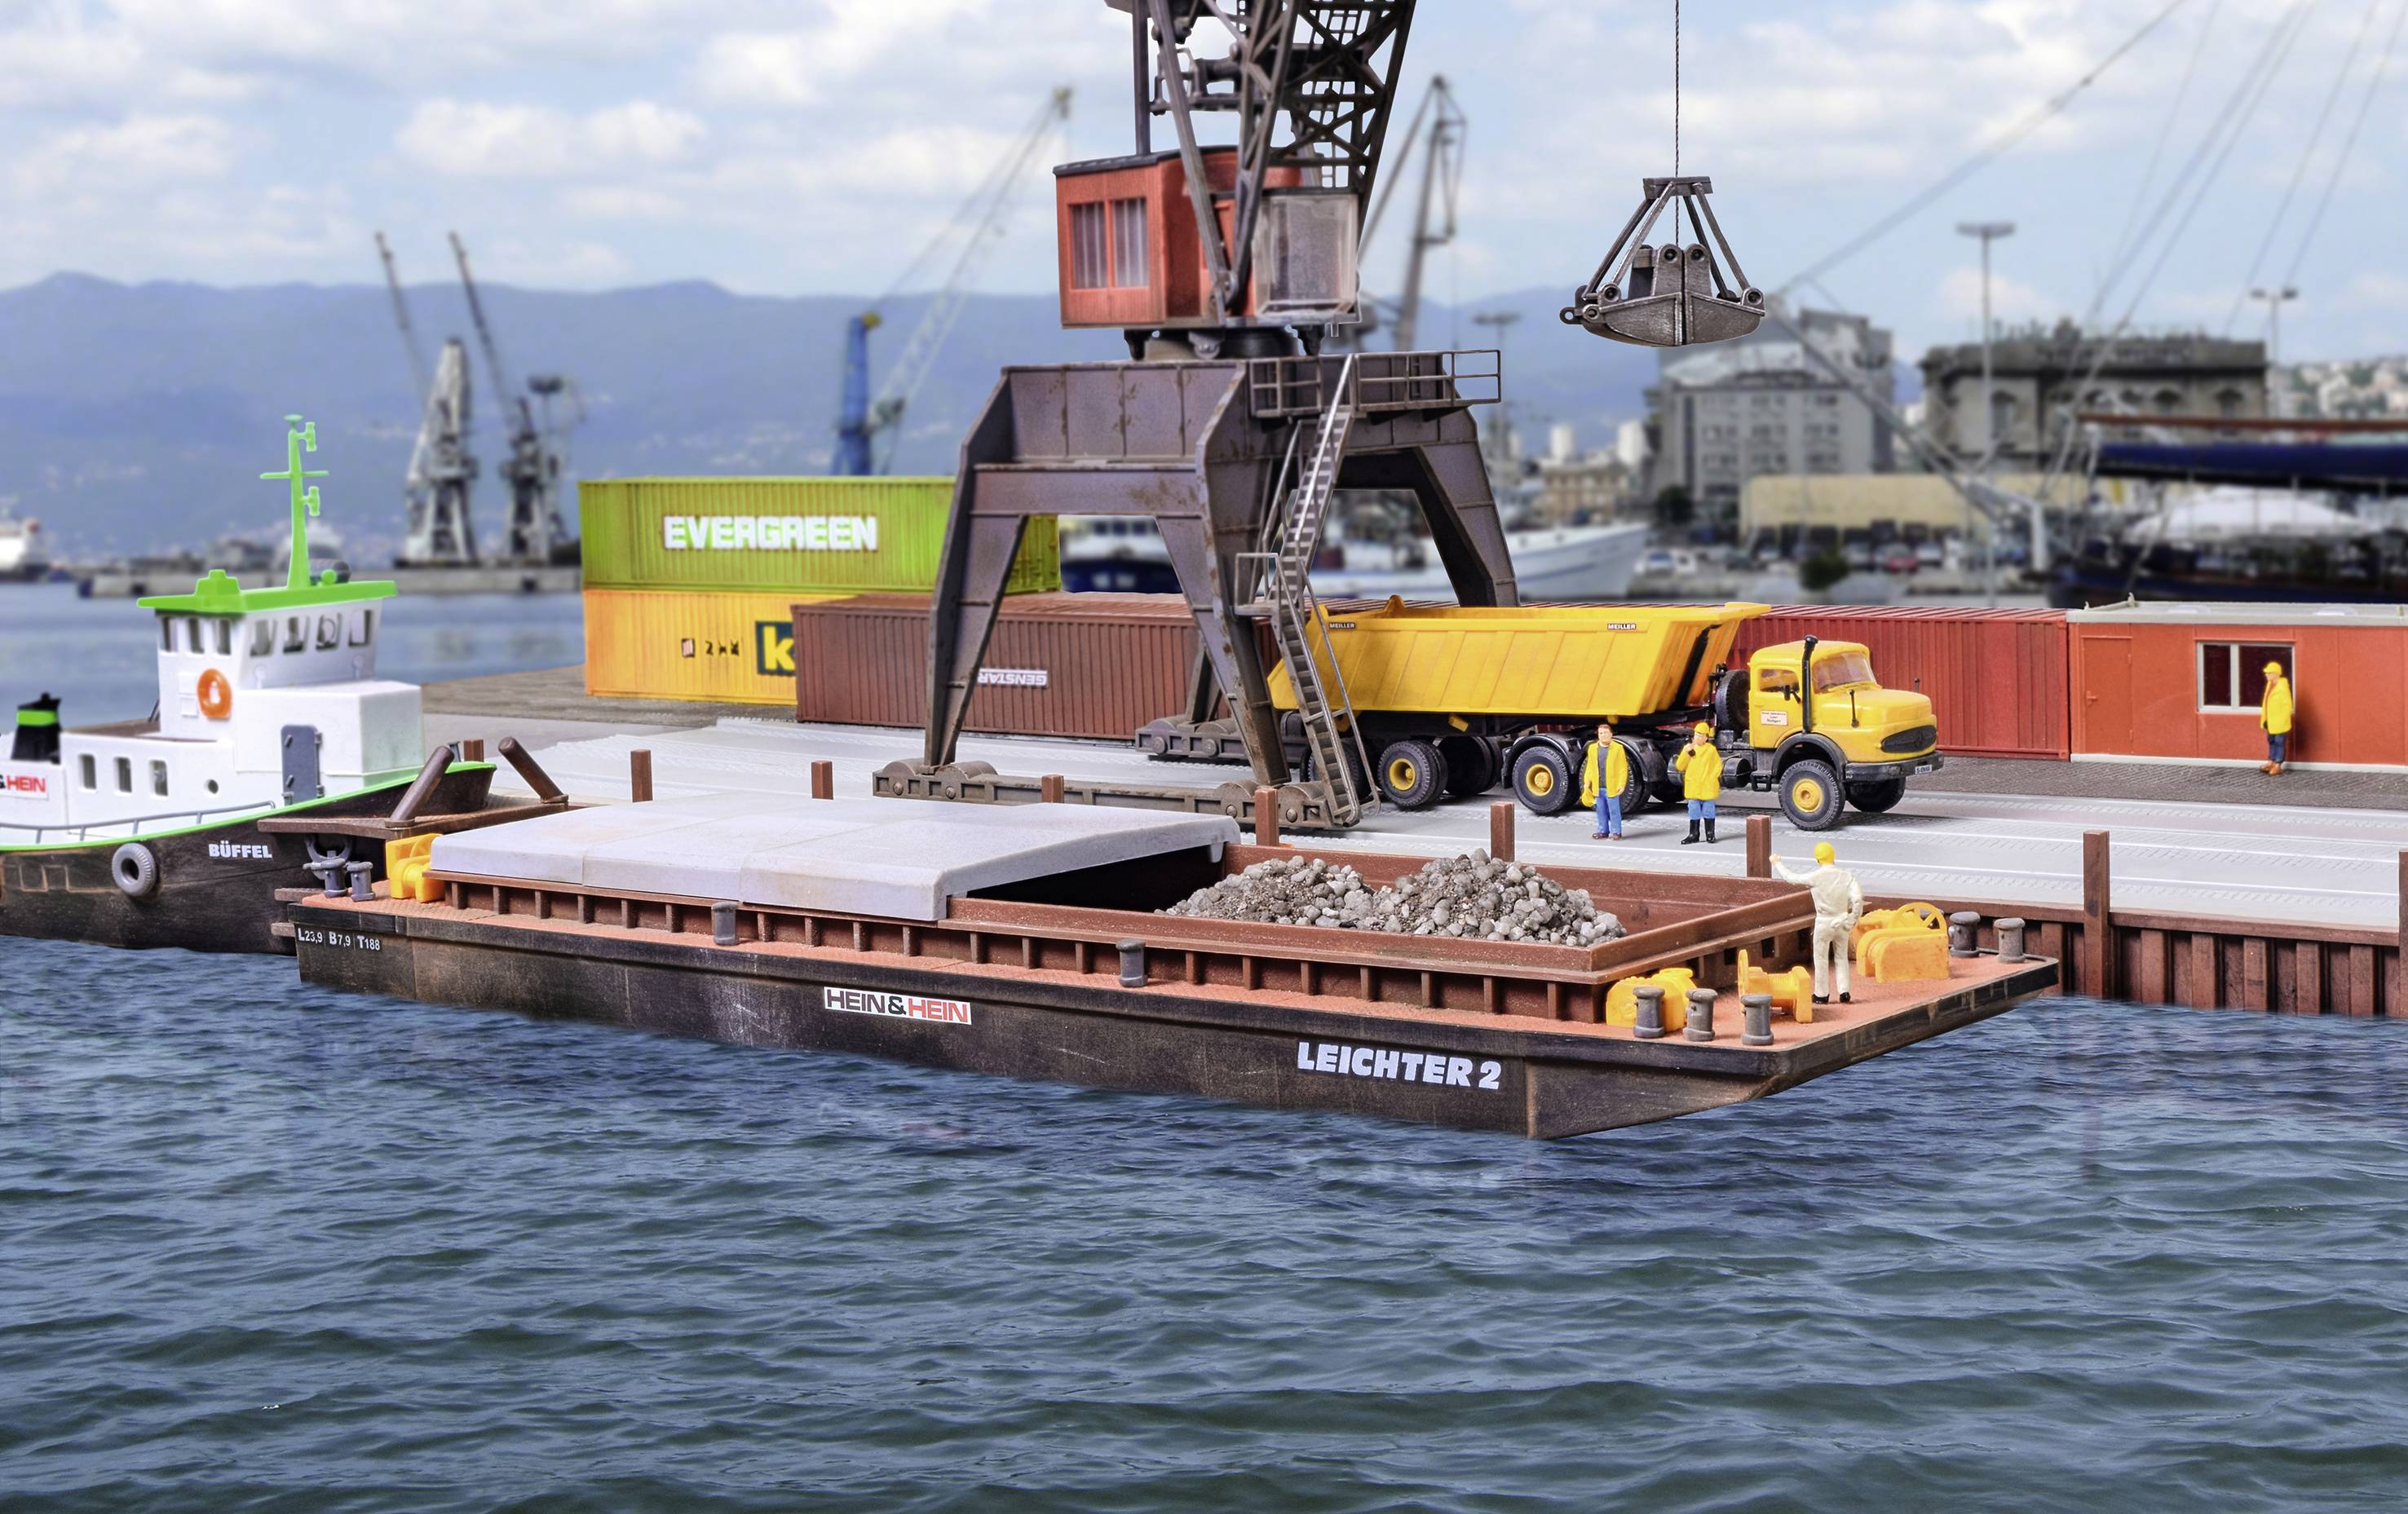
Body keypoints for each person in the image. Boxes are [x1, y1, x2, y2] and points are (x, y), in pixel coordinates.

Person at [1773, 841, 1864, 1004]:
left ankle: (1822, 994)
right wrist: (1852, 918)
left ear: (1818, 859)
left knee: (1821, 958)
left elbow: (1791, 878)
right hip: (1842, 921)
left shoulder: (1816, 877)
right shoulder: (1847, 876)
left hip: (1824, 921)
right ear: (1833, 857)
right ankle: (1844, 991)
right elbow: (1857, 899)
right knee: (1841, 957)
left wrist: (1777, 863)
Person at [1673, 721, 1719, 845]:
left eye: (1701, 735)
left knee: (1709, 811)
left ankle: (1710, 833)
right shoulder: (1689, 749)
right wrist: (1685, 753)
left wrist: (1712, 778)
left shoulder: (1711, 750)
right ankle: (1694, 834)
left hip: (1707, 787)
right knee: (1694, 811)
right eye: (1696, 735)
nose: (1698, 737)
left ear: (1706, 737)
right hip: (1693, 787)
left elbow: (1717, 766)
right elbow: (1680, 766)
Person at [1580, 723, 1628, 841]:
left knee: (1614, 811)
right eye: (1601, 733)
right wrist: (1587, 781)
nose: (1603, 735)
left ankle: (1616, 831)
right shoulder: (1592, 748)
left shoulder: (1618, 748)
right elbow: (1590, 767)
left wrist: (1622, 784)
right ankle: (1603, 831)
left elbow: (1622, 768)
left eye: (1606, 733)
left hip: (1612, 787)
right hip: (1598, 787)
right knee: (1600, 810)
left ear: (1611, 734)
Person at [2260, 661, 2293, 776]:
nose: (2266, 675)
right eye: (2266, 673)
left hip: (2279, 722)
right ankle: (2271, 761)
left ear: (2276, 674)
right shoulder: (2270, 685)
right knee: (2271, 740)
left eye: (2269, 673)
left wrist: (2282, 720)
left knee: (2279, 742)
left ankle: (2278, 764)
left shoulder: (2282, 688)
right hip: (2270, 720)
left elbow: (2288, 706)